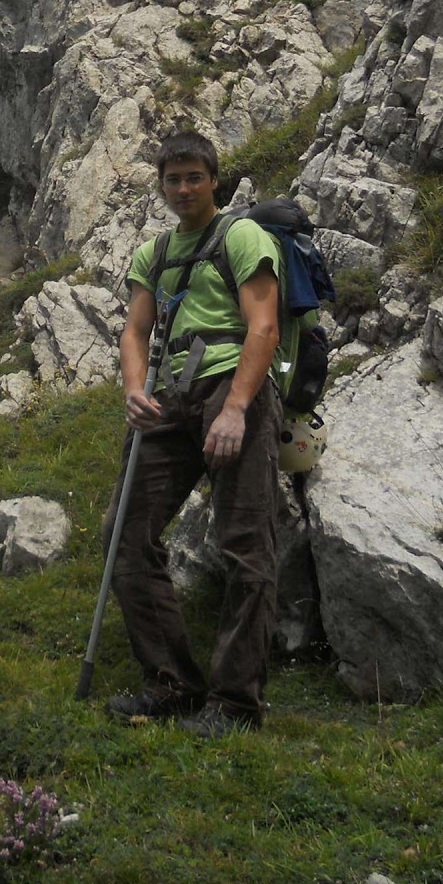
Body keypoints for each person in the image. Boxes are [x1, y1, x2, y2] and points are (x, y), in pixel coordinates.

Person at [102, 129, 282, 738]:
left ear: (214, 180)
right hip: (169, 397)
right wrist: (134, 389)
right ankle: (172, 682)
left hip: (232, 387)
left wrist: (236, 409)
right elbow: (135, 331)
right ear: (161, 185)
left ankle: (236, 704)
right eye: (173, 179)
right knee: (124, 535)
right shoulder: (153, 253)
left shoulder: (242, 236)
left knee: (245, 542)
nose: (184, 189)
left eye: (194, 177)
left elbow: (263, 326)